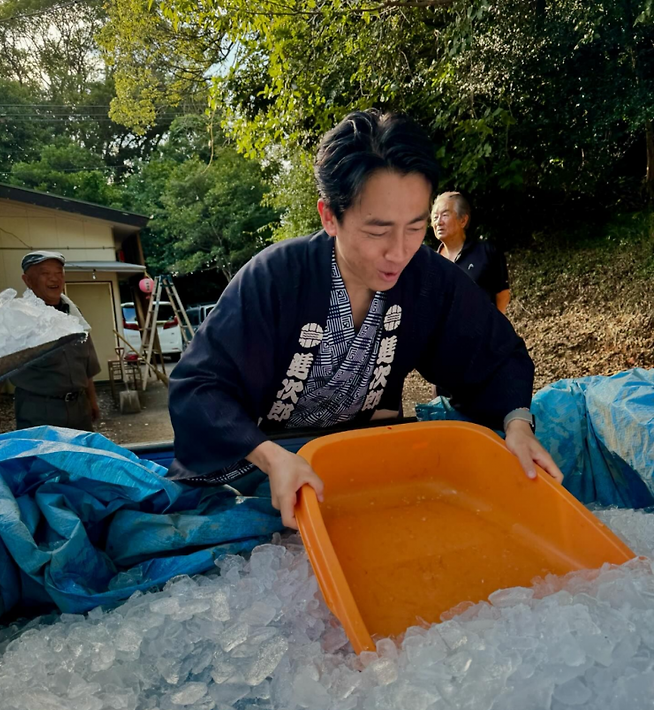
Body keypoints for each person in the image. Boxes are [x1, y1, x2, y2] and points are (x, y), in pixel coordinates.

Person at [168, 110, 562, 528]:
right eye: (378, 231)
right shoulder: (276, 277)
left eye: (414, 227)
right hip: (260, 470)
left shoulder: (427, 276)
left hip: (357, 463)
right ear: (329, 216)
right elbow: (198, 388)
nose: (399, 251)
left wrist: (517, 424)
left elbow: (495, 354)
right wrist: (271, 457)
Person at [0, 251, 101, 433]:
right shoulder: (15, 318)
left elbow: (86, 366)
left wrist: (92, 400)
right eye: (45, 273)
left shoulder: (74, 314)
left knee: (82, 459)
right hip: (39, 411)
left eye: (59, 272)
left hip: (79, 409)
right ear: (27, 280)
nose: (54, 279)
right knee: (45, 461)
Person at [432, 191, 511, 314]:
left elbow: (502, 295)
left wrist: (493, 328)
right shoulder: (431, 263)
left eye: (445, 215)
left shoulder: (486, 253)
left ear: (463, 220)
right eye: (435, 217)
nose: (438, 222)